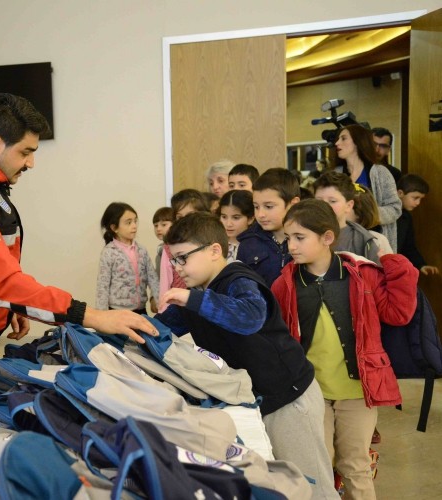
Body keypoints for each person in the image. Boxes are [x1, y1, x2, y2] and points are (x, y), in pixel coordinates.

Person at [0, 93, 157, 450]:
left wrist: (6, 308)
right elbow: (2, 283)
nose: (31, 163)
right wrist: (92, 316)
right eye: (25, 152)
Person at [155, 212, 339, 500]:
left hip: (290, 399)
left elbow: (249, 317)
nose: (178, 268)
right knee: (281, 486)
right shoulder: (195, 294)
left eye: (183, 258)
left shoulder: (237, 279)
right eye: (173, 261)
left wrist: (191, 299)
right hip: (260, 401)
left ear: (214, 250)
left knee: (312, 488)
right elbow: (158, 329)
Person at [272, 199, 418, 500]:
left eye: (299, 237)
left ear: (327, 237)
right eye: (288, 238)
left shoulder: (362, 275)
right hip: (311, 392)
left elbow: (399, 313)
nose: (291, 246)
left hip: (358, 391)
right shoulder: (284, 284)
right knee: (318, 466)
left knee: (355, 465)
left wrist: (393, 261)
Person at [334, 125, 402, 251]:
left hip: (374, 244)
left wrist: (368, 214)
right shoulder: (335, 174)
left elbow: (395, 208)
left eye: (343, 138)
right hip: (342, 242)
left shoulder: (380, 173)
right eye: (338, 139)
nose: (337, 143)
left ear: (358, 142)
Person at [236, 168, 300, 286]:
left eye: (269, 206)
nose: (260, 214)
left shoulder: (307, 240)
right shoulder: (248, 243)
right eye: (256, 207)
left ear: (293, 204)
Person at [96, 202, 159, 314]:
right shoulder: (109, 252)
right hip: (117, 312)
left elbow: (153, 278)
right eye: (129, 222)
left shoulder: (141, 250)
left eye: (135, 221)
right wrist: (102, 316)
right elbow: (102, 286)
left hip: (141, 310)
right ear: (114, 228)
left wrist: (159, 301)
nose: (134, 226)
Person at [313, 171, 381, 265]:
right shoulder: (303, 233)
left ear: (349, 205)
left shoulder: (362, 241)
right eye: (319, 201)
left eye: (332, 201)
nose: (324, 206)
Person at [396, 174, 439, 276]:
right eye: (415, 198)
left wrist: (421, 265)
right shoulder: (381, 214)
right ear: (400, 193)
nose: (418, 203)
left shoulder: (406, 218)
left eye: (420, 199)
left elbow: (409, 247)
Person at [349, 185, 393, 256]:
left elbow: (390, 262)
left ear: (358, 213)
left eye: (348, 206)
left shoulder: (377, 240)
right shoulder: (335, 237)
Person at [217, 189, 254, 263]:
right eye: (224, 217)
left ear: (250, 219)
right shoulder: (213, 241)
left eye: (236, 218)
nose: (228, 224)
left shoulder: (256, 246)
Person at [152, 206, 174, 276]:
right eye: (156, 226)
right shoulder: (160, 249)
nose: (158, 229)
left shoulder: (176, 249)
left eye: (164, 225)